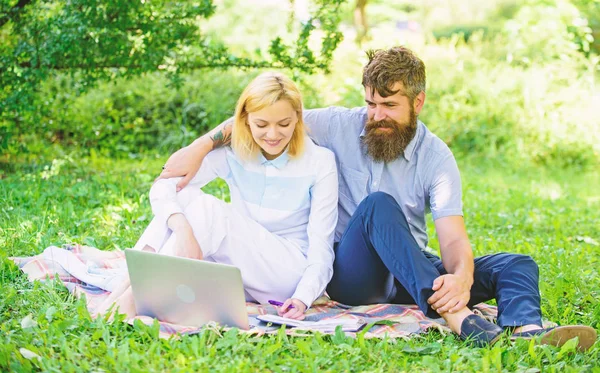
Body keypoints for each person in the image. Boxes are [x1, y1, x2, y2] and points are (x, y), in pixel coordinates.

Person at [158, 47, 597, 350]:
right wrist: (201, 146)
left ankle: (525, 329)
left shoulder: (436, 158)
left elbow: (453, 239)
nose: (375, 115)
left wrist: (461, 276)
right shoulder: (337, 124)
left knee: (516, 264)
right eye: (370, 103)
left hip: (411, 272)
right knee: (377, 206)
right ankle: (459, 319)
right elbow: (264, 114)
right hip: (353, 276)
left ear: (418, 101)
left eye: (388, 105)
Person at [95, 72, 339, 320]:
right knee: (186, 199)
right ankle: (125, 289)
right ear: (244, 120)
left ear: (298, 117)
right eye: (261, 125)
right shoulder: (236, 152)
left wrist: (303, 298)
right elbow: (165, 185)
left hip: (287, 273)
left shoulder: (320, 162)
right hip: (238, 269)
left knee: (210, 210)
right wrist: (182, 228)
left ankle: (129, 302)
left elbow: (321, 247)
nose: (273, 135)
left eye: (284, 124)